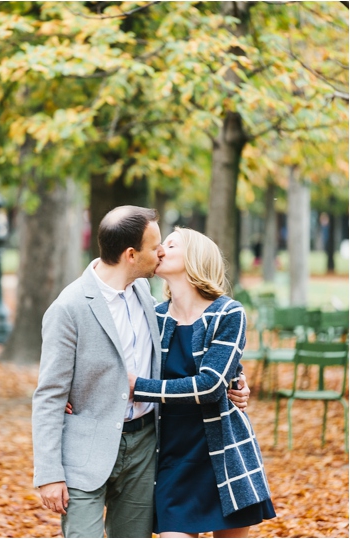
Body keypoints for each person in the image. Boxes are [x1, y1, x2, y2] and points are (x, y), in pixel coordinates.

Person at [32, 206, 250, 538]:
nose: (161, 251)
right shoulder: (69, 307)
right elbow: (48, 396)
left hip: (147, 447)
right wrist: (48, 474)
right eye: (156, 246)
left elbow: (197, 345)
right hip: (86, 450)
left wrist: (236, 379)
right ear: (132, 254)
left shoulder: (146, 298)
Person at [129, 227, 275, 537]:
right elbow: (119, 361)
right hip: (171, 455)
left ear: (194, 257)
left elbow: (210, 385)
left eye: (170, 244)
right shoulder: (153, 317)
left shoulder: (228, 313)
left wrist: (138, 386)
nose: (159, 249)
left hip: (223, 452)